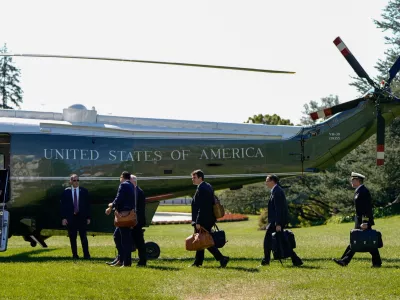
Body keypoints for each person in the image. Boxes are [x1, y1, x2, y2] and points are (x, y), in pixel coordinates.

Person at [332, 172, 382, 267]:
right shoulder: (359, 190)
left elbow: (366, 209)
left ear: (358, 181)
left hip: (364, 221)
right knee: (358, 240)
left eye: (353, 180)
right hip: (360, 221)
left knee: (367, 241)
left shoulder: (364, 191)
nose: (351, 181)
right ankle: (344, 261)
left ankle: (376, 263)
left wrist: (365, 222)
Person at [260, 174, 303, 266]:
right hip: (275, 221)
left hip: (276, 222)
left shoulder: (277, 192)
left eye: (267, 181)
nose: (266, 183)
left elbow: (279, 209)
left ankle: (266, 261)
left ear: (272, 181)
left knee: (268, 241)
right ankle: (296, 259)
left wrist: (278, 224)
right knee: (281, 241)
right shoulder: (275, 190)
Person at [190, 169, 229, 268]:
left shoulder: (202, 188)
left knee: (204, 240)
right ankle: (198, 262)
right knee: (200, 240)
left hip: (203, 219)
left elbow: (203, 207)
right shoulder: (207, 186)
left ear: (200, 178)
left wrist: (198, 222)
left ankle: (221, 258)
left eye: (194, 177)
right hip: (208, 218)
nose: (192, 180)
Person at [105, 171, 135, 268]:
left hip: (123, 216)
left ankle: (126, 263)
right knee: (117, 236)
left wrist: (111, 205)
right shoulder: (130, 185)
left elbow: (119, 198)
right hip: (128, 214)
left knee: (124, 240)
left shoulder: (123, 185)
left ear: (122, 177)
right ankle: (120, 259)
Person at [61, 174, 91, 259]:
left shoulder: (84, 191)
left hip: (81, 217)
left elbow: (87, 205)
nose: (76, 182)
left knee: (83, 237)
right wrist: (63, 218)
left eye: (78, 180)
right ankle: (75, 255)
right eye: (74, 180)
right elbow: (63, 206)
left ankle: (86, 255)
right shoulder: (66, 191)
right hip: (71, 217)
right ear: (70, 181)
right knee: (72, 237)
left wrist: (88, 217)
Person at [130, 174, 147, 267]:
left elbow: (137, 209)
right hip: (136, 220)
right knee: (138, 241)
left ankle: (142, 261)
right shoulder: (137, 191)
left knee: (139, 242)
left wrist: (134, 221)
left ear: (134, 181)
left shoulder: (137, 192)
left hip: (136, 221)